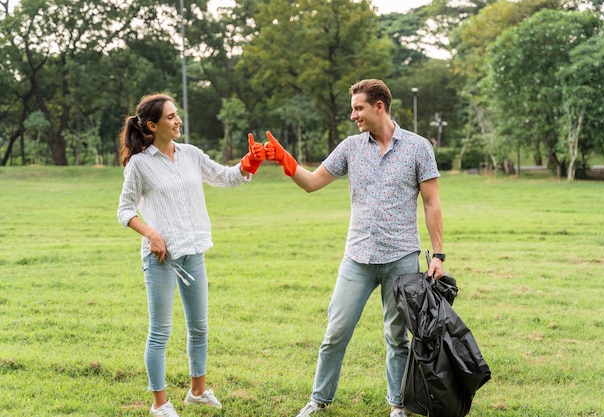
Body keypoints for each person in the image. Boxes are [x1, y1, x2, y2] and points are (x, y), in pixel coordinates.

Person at [262, 79, 444, 417]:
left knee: (397, 337)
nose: (353, 115)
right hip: (357, 257)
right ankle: (319, 400)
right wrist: (284, 159)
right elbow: (313, 182)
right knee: (336, 332)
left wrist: (437, 255)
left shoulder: (419, 148)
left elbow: (432, 203)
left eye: (358, 108)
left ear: (379, 106)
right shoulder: (350, 147)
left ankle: (397, 406)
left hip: (402, 258)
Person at [116, 93, 265, 417]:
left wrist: (249, 161)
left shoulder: (191, 155)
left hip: (193, 250)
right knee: (160, 331)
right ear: (153, 126)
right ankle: (160, 404)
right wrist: (152, 234)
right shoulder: (140, 164)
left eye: (176, 115)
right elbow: (125, 211)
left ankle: (197, 392)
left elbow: (225, 177)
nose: (177, 120)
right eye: (170, 117)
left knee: (199, 327)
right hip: (161, 258)